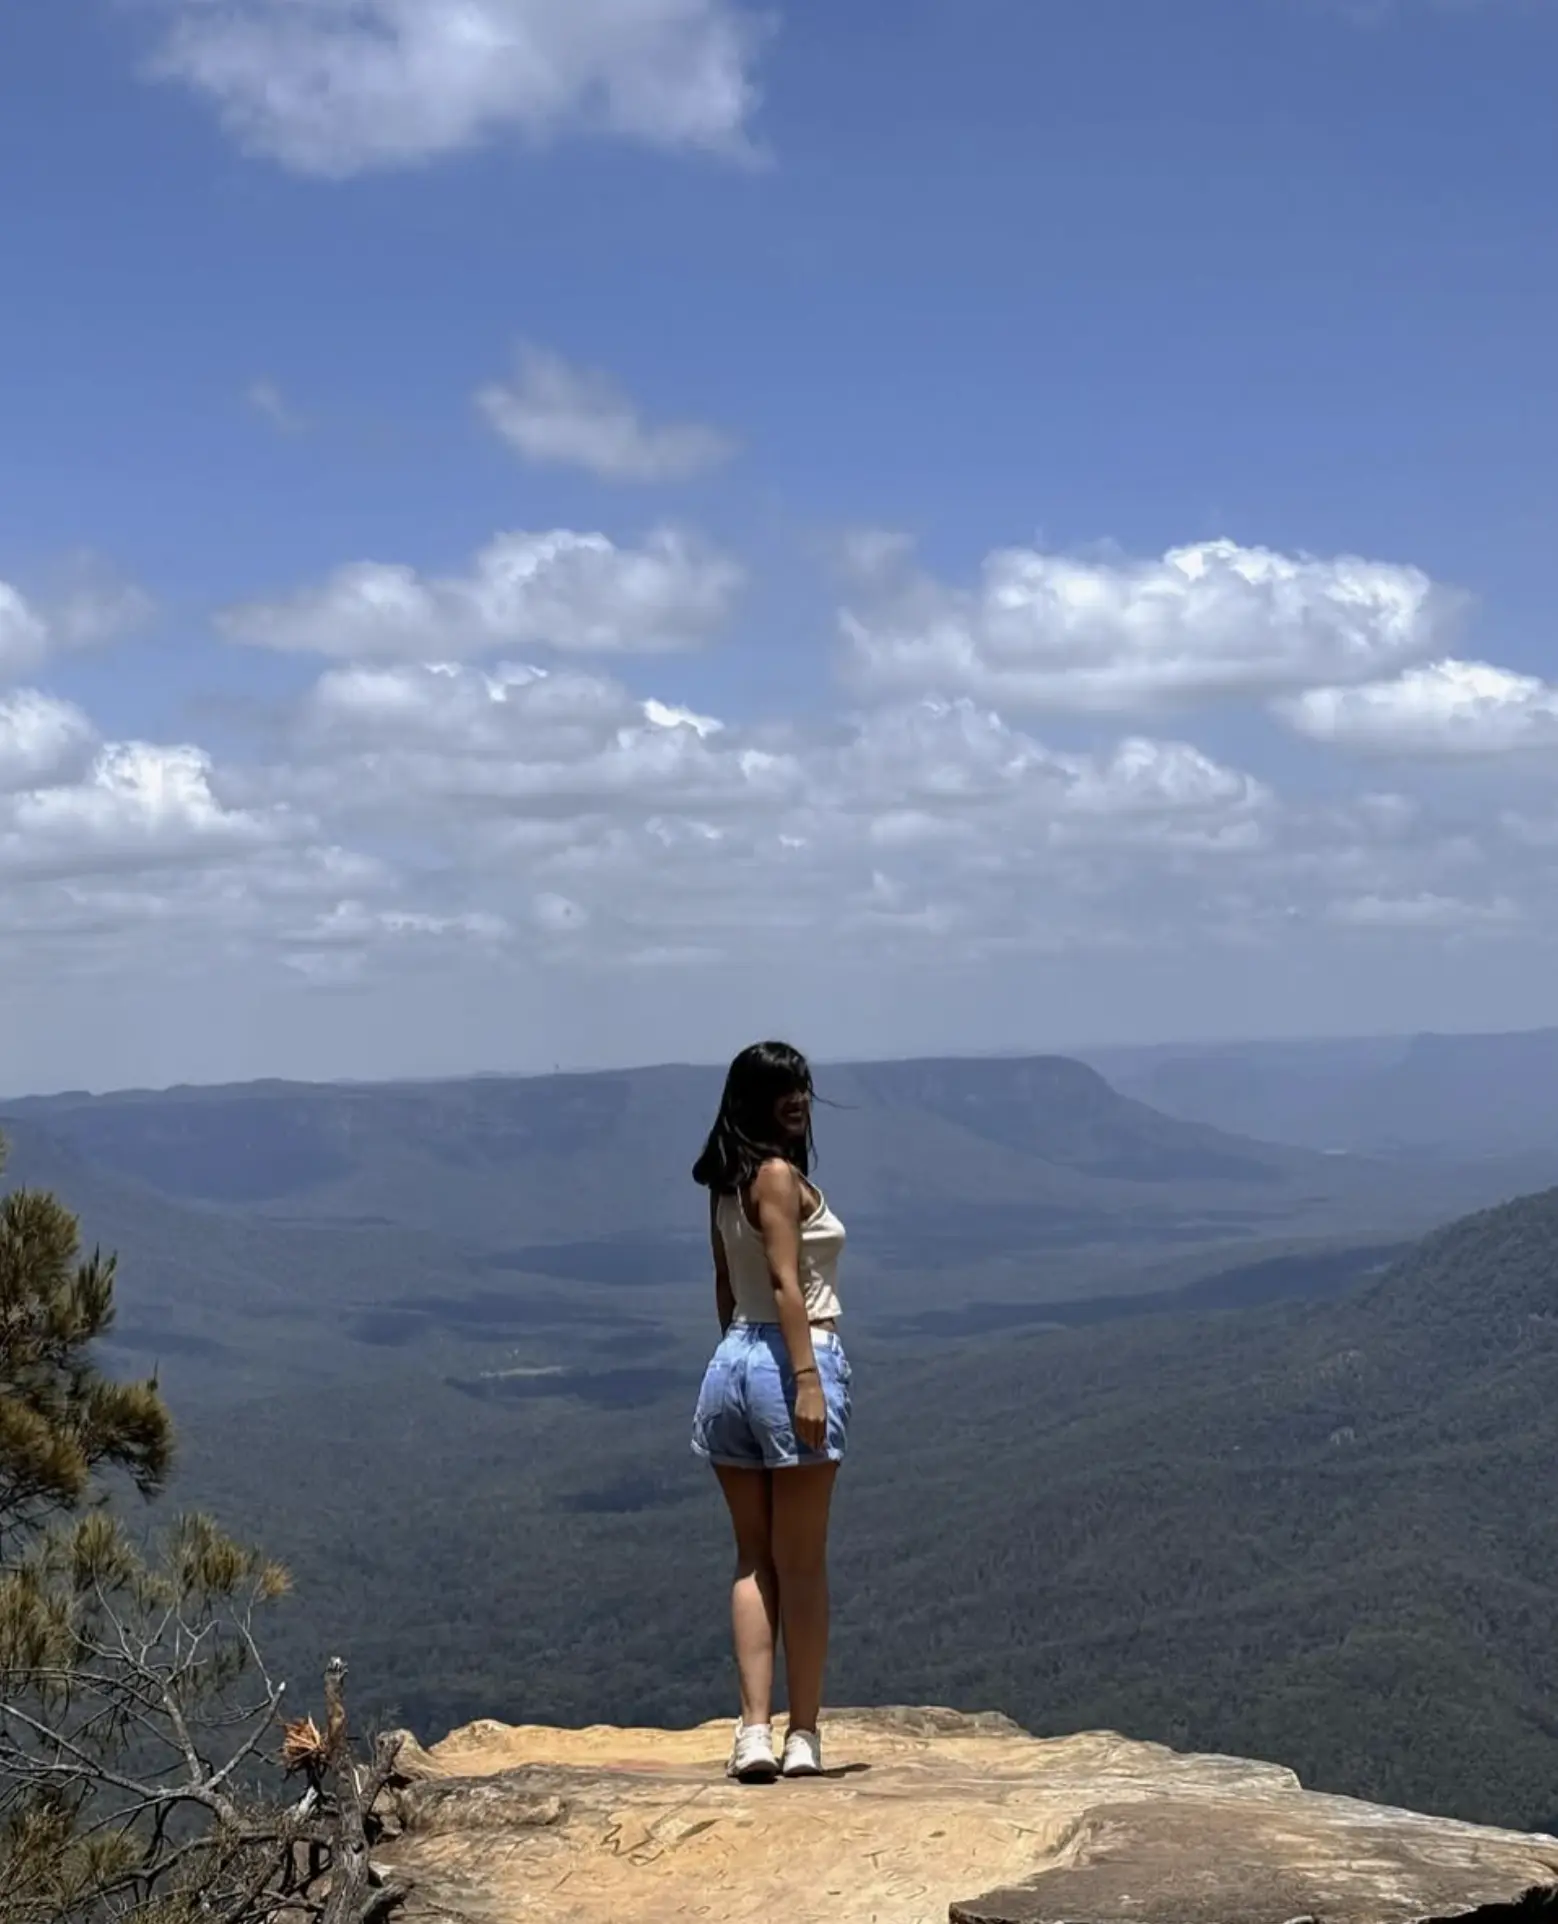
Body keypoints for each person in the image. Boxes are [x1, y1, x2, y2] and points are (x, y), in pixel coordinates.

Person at [690, 1041, 851, 1784]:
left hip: (730, 1363)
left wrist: (740, 1359)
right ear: (753, 1098)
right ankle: (804, 1735)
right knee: (802, 1564)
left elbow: (727, 1286)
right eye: (783, 1088)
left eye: (803, 1087)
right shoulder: (779, 1177)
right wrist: (807, 1379)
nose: (799, 1099)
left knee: (754, 1558)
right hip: (791, 1357)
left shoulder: (725, 1181)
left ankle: (752, 1730)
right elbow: (788, 1286)